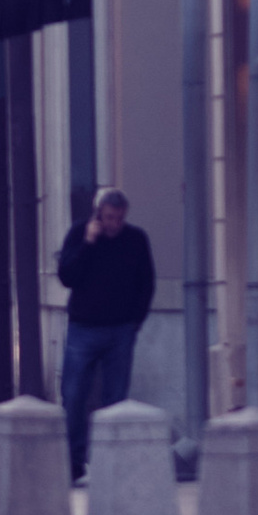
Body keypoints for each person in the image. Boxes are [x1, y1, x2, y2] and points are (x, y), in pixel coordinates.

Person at [55, 187, 157, 481]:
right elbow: (67, 276)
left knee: (115, 399)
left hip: (121, 330)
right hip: (83, 329)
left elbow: (146, 283)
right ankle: (73, 462)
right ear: (99, 214)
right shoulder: (79, 234)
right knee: (74, 396)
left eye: (119, 218)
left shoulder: (136, 240)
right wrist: (88, 243)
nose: (114, 224)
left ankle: (110, 462)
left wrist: (135, 321)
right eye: (109, 217)